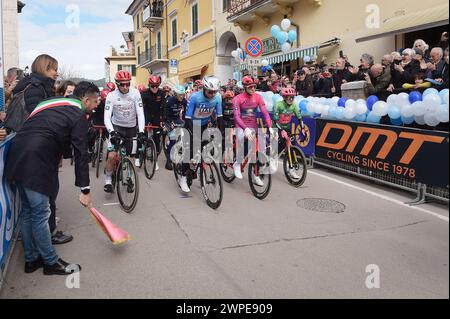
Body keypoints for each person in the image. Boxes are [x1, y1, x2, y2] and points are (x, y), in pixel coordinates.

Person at [5, 81, 99, 275]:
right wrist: (85, 190)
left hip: (17, 153)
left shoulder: (50, 102)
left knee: (28, 212)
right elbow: (81, 153)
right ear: (86, 99)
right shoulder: (78, 114)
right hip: (36, 161)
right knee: (40, 214)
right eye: (96, 101)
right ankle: (50, 262)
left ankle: (31, 260)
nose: (97, 105)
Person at [178, 76, 223, 193]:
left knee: (206, 147)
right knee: (191, 150)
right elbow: (187, 117)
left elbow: (220, 117)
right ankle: (183, 177)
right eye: (209, 92)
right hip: (191, 124)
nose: (212, 94)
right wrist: (195, 134)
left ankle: (197, 167)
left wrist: (222, 133)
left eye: (214, 92)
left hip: (203, 124)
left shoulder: (218, 98)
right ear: (204, 88)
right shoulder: (195, 97)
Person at [103, 70, 146, 193]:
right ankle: (108, 180)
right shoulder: (111, 96)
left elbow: (140, 113)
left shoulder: (135, 93)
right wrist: (111, 132)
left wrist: (141, 131)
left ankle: (130, 178)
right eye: (122, 84)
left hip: (131, 128)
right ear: (117, 84)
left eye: (128, 84)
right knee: (112, 156)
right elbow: (106, 117)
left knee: (131, 157)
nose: (125, 87)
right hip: (116, 127)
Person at [232, 76, 275, 186]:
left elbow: (265, 113)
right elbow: (237, 117)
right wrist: (245, 129)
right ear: (245, 87)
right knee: (243, 138)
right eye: (250, 87)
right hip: (241, 125)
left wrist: (270, 127)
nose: (253, 89)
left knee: (261, 148)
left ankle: (256, 175)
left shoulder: (258, 97)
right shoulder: (237, 99)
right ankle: (237, 163)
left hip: (253, 125)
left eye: (254, 86)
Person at [273, 87, 306, 180]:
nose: (290, 99)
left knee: (291, 147)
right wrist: (281, 130)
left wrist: (302, 129)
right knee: (278, 148)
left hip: (287, 128)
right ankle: (270, 159)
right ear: (284, 97)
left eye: (292, 97)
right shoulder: (278, 105)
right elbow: (275, 120)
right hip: (276, 128)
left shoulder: (294, 105)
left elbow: (300, 118)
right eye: (288, 97)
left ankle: (291, 169)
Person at [141, 75, 166, 170]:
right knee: (143, 135)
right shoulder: (144, 93)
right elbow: (140, 108)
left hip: (157, 116)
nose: (155, 88)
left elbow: (163, 108)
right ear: (149, 85)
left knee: (157, 139)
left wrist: (162, 120)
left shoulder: (161, 93)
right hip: (146, 114)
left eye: (156, 85)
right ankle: (140, 154)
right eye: (152, 86)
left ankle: (155, 160)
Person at [164, 84, 187, 171]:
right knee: (173, 139)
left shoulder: (183, 100)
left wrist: (187, 120)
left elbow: (188, 109)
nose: (181, 97)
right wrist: (170, 123)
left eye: (183, 94)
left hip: (177, 119)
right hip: (168, 120)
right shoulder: (169, 100)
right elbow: (165, 114)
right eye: (179, 95)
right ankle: (168, 160)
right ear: (175, 94)